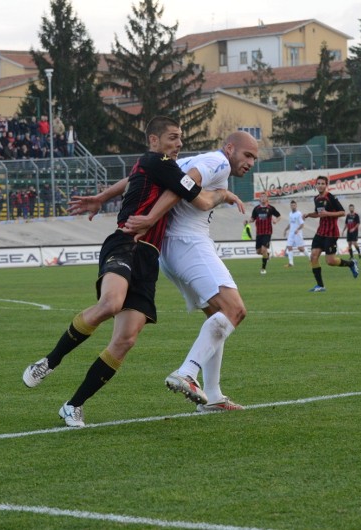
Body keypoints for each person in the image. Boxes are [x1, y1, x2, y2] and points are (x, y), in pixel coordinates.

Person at [21, 116, 243, 428]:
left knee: (126, 339)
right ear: (154, 140)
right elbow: (203, 199)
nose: (178, 144)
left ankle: (73, 405)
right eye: (171, 138)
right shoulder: (162, 162)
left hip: (149, 258)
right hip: (125, 243)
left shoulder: (165, 166)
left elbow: (134, 180)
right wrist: (223, 195)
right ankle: (49, 361)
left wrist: (102, 197)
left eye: (180, 138)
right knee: (110, 304)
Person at [84, 131, 260, 412]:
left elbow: (140, 176)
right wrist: (151, 217)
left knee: (217, 317)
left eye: (254, 158)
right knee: (234, 310)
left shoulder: (190, 160)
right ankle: (187, 372)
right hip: (188, 243)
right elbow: (183, 185)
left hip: (170, 250)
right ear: (229, 148)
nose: (251, 162)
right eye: (247, 155)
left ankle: (213, 396)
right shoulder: (218, 162)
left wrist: (103, 197)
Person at [305, 176, 359, 292]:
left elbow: (342, 212)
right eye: (318, 183)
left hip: (331, 233)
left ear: (326, 185)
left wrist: (327, 213)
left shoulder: (331, 197)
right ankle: (320, 286)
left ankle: (351, 264)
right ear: (316, 185)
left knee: (330, 261)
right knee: (313, 256)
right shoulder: (316, 199)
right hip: (320, 232)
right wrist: (309, 215)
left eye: (322, 183)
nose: (320, 185)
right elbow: (319, 214)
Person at [249, 195, 280, 274]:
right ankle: (268, 254)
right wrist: (248, 221)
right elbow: (252, 218)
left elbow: (279, 216)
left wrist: (276, 221)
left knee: (263, 249)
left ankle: (263, 268)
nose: (263, 198)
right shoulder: (256, 209)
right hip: (259, 233)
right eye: (261, 197)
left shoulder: (270, 208)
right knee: (258, 251)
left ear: (267, 199)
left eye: (264, 197)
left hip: (267, 232)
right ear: (259, 199)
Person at [283, 200, 310, 267]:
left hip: (297, 233)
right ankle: (291, 263)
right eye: (292, 205)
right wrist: (285, 230)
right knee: (289, 247)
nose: (293, 206)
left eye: (294, 205)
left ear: (296, 206)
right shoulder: (290, 214)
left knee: (300, 248)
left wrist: (297, 229)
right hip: (291, 233)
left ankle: (310, 257)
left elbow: (302, 224)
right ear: (290, 206)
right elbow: (290, 223)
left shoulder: (299, 214)